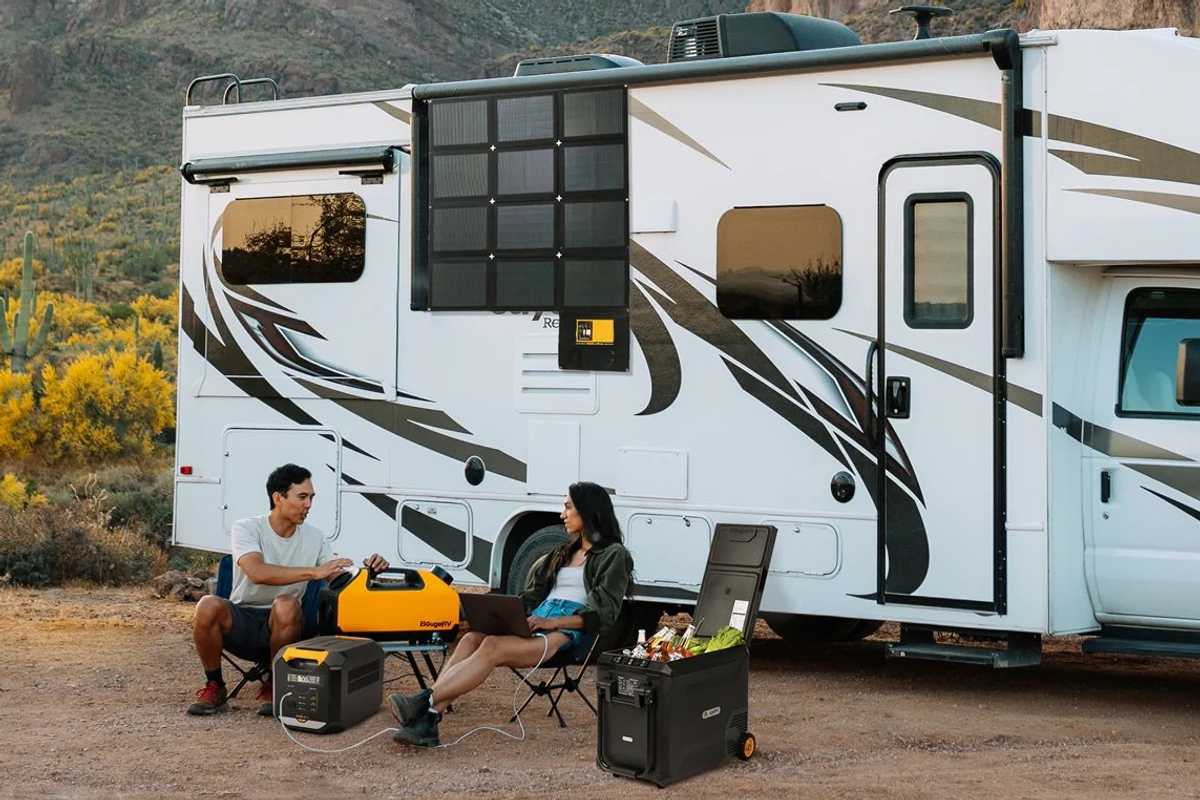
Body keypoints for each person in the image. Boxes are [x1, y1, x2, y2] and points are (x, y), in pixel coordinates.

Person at [387, 481, 634, 747]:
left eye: (568, 507)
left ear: (587, 511)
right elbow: (529, 597)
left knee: (492, 646)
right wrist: (498, 611)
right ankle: (429, 717)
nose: (562, 514)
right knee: (471, 638)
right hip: (539, 618)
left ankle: (423, 703)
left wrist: (553, 622)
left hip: (567, 634)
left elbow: (604, 614)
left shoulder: (614, 555)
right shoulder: (562, 552)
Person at [187, 463, 389, 717]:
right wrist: (313, 572)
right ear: (278, 498)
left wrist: (370, 569)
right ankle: (215, 685)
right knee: (207, 604)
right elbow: (257, 572)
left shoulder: (315, 538)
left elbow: (340, 576)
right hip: (243, 622)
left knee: (285, 604)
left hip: (288, 626)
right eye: (302, 497)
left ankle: (277, 682)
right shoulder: (247, 528)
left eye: (311, 497)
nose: (309, 505)